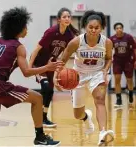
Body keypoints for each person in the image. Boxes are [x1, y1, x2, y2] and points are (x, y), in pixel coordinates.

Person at [0, 7, 63, 146]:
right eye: (25, 26)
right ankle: (40, 138)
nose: (27, 29)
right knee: (37, 98)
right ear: (18, 28)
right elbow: (26, 73)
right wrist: (47, 68)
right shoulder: (18, 47)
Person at [54, 10, 114, 145]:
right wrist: (56, 76)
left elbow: (109, 58)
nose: (93, 30)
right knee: (77, 114)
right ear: (85, 27)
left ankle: (103, 132)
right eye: (90, 27)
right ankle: (86, 118)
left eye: (97, 28)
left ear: (102, 28)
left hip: (97, 73)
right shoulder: (76, 42)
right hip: (78, 76)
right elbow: (62, 60)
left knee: (100, 99)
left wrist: (105, 70)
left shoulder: (107, 42)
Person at [29, 7, 79, 128]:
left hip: (52, 64)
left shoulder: (69, 35)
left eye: (69, 16)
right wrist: (29, 67)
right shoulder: (51, 32)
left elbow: (68, 53)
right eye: (64, 17)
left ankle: (44, 118)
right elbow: (37, 48)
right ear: (59, 20)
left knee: (50, 91)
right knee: (46, 86)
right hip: (39, 63)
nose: (67, 18)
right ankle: (39, 116)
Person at [109, 22, 136, 106]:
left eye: (120, 28)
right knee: (117, 79)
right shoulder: (112, 39)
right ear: (115, 30)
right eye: (117, 28)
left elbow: (134, 49)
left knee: (129, 80)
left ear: (122, 29)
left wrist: (135, 60)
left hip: (128, 61)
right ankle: (118, 99)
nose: (119, 29)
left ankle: (131, 93)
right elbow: (109, 50)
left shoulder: (128, 37)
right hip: (117, 61)